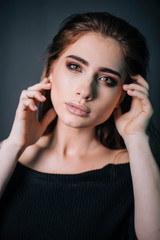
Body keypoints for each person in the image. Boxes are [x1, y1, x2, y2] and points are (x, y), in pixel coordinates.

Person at [0, 12, 159, 240]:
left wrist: (136, 137)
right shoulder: (6, 155)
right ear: (51, 68)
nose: (85, 92)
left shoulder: (138, 172)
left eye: (107, 79)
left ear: (123, 95)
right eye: (75, 66)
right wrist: (14, 145)